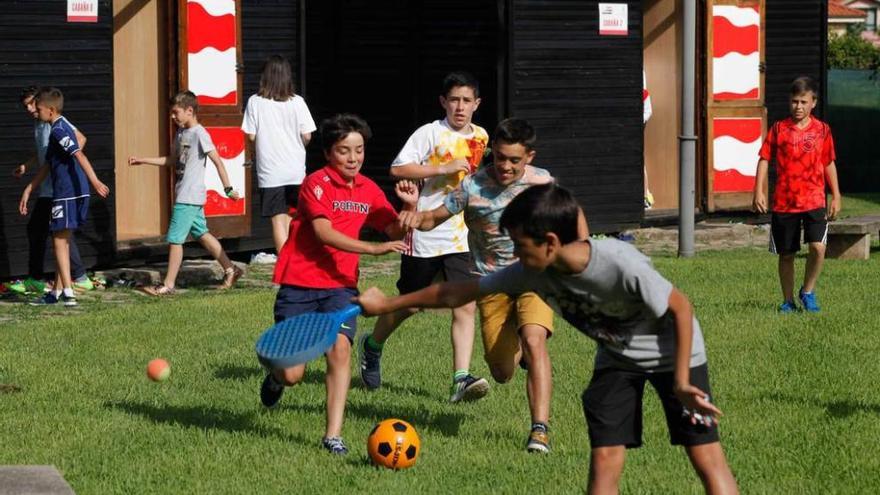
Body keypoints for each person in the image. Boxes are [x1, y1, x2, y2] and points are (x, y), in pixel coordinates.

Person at [356, 183, 739, 494]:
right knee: (605, 459)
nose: (515, 254)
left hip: (676, 357)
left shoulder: (620, 262)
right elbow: (456, 292)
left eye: (521, 245)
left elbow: (682, 308)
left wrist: (684, 380)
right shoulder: (532, 271)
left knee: (704, 456)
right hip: (618, 362)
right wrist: (388, 301)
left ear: (551, 242)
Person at [361, 118, 580, 453]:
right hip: (491, 283)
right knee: (502, 370)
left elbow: (573, 214)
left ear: (530, 157)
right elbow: (433, 218)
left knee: (536, 341)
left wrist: (582, 250)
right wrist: (412, 214)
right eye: (500, 157)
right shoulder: (473, 187)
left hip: (535, 277)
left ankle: (539, 431)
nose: (505, 166)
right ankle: (519, 349)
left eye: (514, 160)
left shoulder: (543, 184)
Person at [258, 114, 416, 455]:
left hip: (341, 287)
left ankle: (333, 435)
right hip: (299, 283)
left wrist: (408, 209)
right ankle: (275, 377)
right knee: (292, 375)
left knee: (340, 350)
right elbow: (323, 233)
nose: (353, 158)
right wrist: (372, 248)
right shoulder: (315, 183)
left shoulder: (369, 190)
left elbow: (393, 231)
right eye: (344, 151)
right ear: (329, 152)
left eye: (358, 150)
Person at [360, 71, 490, 403]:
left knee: (464, 303)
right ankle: (372, 345)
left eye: (467, 101)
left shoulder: (481, 137)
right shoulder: (429, 133)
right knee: (412, 304)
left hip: (462, 235)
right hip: (425, 232)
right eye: (454, 100)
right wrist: (440, 169)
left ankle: (460, 379)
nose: (460, 107)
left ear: (477, 104)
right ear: (443, 102)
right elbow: (398, 169)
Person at [128, 90, 243, 295]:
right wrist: (143, 160)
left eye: (176, 112)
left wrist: (228, 189)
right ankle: (231, 269)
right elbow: (172, 160)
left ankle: (168, 285)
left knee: (175, 239)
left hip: (189, 196)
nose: (173, 117)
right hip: (185, 193)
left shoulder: (200, 134)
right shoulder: (181, 133)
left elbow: (218, 161)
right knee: (202, 234)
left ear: (189, 111)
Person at [752, 76, 841, 313]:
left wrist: (837, 195)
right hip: (784, 203)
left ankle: (808, 292)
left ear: (813, 102)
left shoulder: (822, 130)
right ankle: (788, 301)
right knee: (787, 255)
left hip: (814, 200)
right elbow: (764, 159)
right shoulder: (779, 129)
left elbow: (828, 163)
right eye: (794, 102)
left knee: (818, 248)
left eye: (803, 102)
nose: (798, 107)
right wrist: (758, 190)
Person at [18, 87, 110, 306]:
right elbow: (48, 164)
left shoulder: (59, 129)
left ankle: (68, 291)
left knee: (59, 240)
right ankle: (57, 291)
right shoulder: (51, 129)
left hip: (67, 193)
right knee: (62, 242)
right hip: (65, 193)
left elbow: (79, 153)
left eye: (37, 108)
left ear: (50, 110)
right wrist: (29, 188)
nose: (34, 112)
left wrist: (95, 181)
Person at [241, 55, 317, 254]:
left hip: (270, 170)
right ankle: (294, 260)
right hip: (295, 169)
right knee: (292, 217)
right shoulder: (298, 101)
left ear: (264, 77)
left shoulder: (255, 102)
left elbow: (250, 136)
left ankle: (285, 264)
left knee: (277, 220)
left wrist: (264, 145)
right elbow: (307, 135)